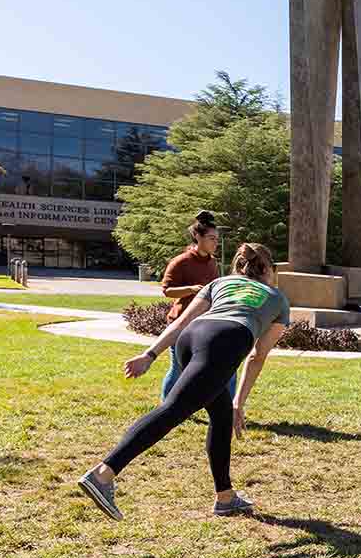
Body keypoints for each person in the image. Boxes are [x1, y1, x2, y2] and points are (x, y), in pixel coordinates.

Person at [78, 243, 292, 520]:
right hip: (224, 342)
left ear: (239, 267)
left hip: (191, 338)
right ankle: (103, 474)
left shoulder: (220, 283)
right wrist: (241, 399)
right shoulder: (277, 299)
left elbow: (180, 323)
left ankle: (225, 497)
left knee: (221, 415)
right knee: (173, 409)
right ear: (269, 270)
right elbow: (257, 356)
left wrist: (150, 354)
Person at [160, 211, 233, 403]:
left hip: (204, 323)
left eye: (217, 239)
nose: (215, 242)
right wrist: (191, 289)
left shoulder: (212, 262)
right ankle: (166, 407)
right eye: (211, 238)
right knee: (178, 369)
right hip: (180, 323)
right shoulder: (181, 262)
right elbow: (167, 291)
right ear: (198, 237)